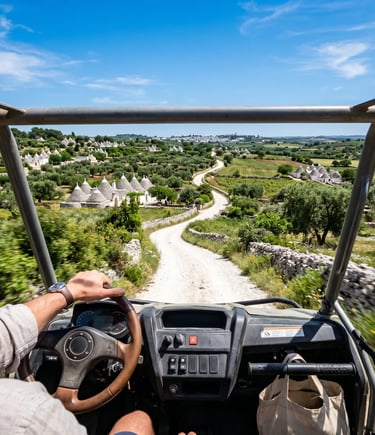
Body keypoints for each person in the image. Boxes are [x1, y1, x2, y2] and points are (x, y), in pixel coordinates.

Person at [0, 270, 155, 435]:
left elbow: (7, 331)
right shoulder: (35, 417)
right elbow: (8, 329)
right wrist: (71, 291)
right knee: (140, 418)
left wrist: (70, 292)